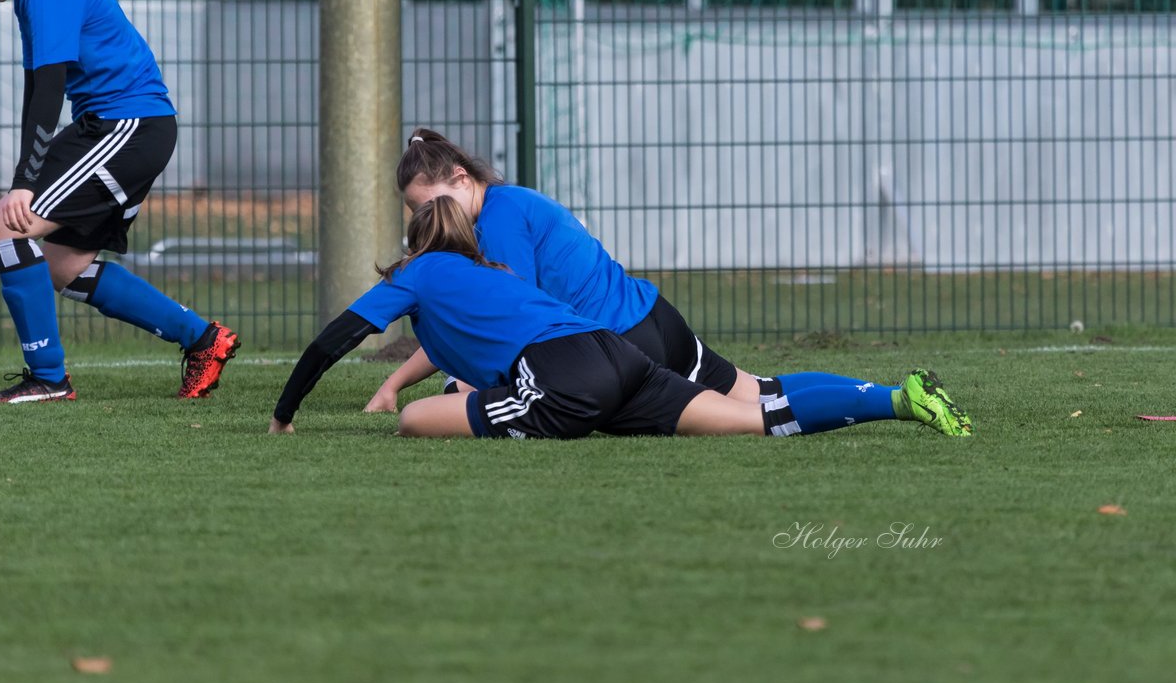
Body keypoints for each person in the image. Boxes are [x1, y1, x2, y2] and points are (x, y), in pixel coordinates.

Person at [271, 196, 974, 440]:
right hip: (619, 352)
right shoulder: (488, 271)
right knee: (758, 411)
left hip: (564, 377)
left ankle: (895, 400)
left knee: (414, 422)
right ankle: (896, 399)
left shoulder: (418, 273)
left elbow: (337, 337)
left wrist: (284, 412)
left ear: (417, 241)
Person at [0, 0, 239, 403]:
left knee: (7, 226)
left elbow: (49, 92)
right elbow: (38, 88)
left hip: (127, 127)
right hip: (112, 127)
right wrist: (24, 178)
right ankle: (205, 341)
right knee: (62, 265)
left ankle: (49, 380)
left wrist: (24, 184)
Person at [364, 128, 876, 415]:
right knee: (763, 393)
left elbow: (496, 322)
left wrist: (398, 388)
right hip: (652, 317)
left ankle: (891, 401)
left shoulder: (497, 223)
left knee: (756, 417)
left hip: (622, 347)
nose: (423, 219)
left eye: (428, 203)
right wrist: (397, 385)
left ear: (460, 177)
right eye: (414, 212)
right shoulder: (508, 201)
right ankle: (888, 396)